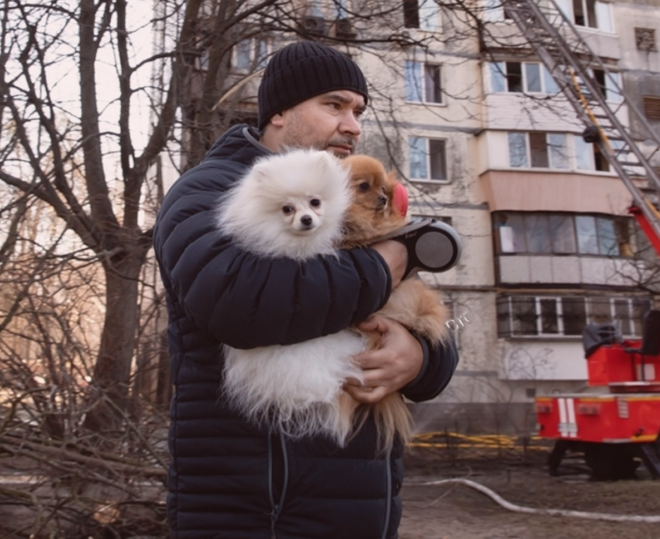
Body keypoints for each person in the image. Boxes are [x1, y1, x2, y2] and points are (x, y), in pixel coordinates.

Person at [153, 41, 459, 539]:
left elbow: (433, 322)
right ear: (278, 111)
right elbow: (239, 301)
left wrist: (421, 358)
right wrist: (391, 261)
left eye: (358, 110)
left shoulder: (351, 197)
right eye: (334, 105)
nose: (353, 126)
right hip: (259, 511)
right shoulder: (208, 191)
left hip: (360, 509)